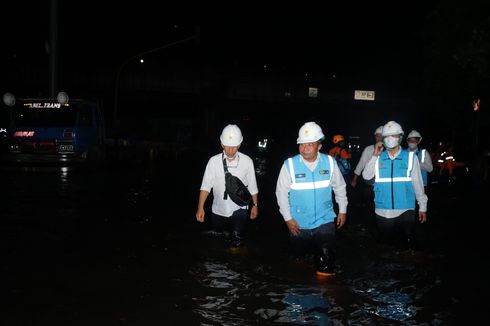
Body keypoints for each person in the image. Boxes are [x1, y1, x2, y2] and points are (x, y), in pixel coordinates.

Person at [276, 122, 347, 276]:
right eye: (302, 144)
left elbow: (340, 187)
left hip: (325, 220)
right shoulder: (289, 165)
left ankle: (324, 291)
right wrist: (288, 219)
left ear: (319, 146)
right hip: (298, 223)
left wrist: (342, 210)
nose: (305, 147)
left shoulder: (330, 162)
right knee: (297, 261)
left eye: (310, 144)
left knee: (326, 262)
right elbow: (281, 193)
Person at [362, 121, 428, 250]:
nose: (390, 139)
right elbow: (366, 176)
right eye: (387, 136)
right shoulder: (377, 158)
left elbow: (418, 183)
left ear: (401, 137)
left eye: (394, 135)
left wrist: (423, 207)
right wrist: (375, 154)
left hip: (405, 209)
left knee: (407, 245)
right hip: (383, 209)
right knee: (387, 246)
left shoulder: (410, 158)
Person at [196, 124, 259, 248]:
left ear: (239, 145)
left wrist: (255, 206)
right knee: (218, 240)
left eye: (234, 147)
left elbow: (253, 186)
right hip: (218, 210)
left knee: (236, 238)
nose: (230, 150)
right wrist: (200, 207)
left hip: (239, 209)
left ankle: (235, 262)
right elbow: (205, 186)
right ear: (222, 144)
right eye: (227, 147)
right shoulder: (213, 161)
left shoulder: (247, 161)